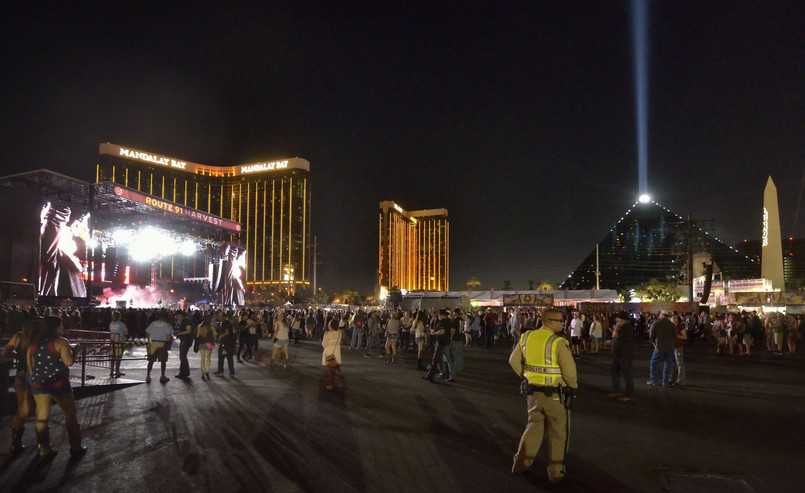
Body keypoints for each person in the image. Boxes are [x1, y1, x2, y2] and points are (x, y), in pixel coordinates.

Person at [509, 308, 577, 483]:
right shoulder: (557, 342)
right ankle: (556, 472)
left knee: (533, 428)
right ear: (551, 321)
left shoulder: (526, 337)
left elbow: (513, 361)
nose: (563, 323)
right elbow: (569, 373)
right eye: (561, 320)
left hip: (533, 393)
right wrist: (573, 387)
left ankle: (520, 464)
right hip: (555, 395)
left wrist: (525, 375)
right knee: (558, 434)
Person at [27, 316, 86, 458]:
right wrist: (76, 351)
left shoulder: (33, 344)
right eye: (60, 326)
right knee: (70, 414)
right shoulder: (60, 342)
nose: (62, 329)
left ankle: (44, 448)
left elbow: (30, 368)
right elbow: (69, 361)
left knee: (42, 416)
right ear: (54, 328)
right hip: (59, 384)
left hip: (39, 383)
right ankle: (75, 446)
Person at [2, 318, 37, 454]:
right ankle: (43, 441)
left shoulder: (18, 336)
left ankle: (15, 443)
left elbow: (5, 353)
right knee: (42, 406)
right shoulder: (39, 338)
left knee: (21, 407)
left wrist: (18, 356)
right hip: (37, 375)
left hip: (21, 373)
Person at [607, 311, 635, 402]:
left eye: (618, 318)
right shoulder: (623, 327)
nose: (616, 320)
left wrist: (616, 328)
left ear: (622, 319)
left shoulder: (626, 327)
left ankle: (629, 395)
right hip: (618, 355)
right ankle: (616, 390)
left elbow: (615, 335)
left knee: (627, 375)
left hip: (625, 355)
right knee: (614, 373)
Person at [647, 310, 677, 386]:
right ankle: (665, 382)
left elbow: (651, 336)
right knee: (668, 364)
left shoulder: (656, 324)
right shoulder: (672, 325)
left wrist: (654, 344)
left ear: (662, 315)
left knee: (654, 363)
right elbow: (675, 337)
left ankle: (653, 381)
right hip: (670, 347)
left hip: (659, 347)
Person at [422, 309, 451, 383]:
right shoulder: (448, 321)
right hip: (445, 342)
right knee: (447, 359)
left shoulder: (442, 322)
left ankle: (430, 376)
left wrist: (434, 333)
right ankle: (447, 373)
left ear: (441, 315)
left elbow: (442, 331)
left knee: (435, 360)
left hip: (441, 342)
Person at [145, 310, 174, 384]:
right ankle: (162, 375)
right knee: (163, 361)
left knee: (151, 361)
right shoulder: (166, 325)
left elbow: (148, 334)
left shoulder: (153, 323)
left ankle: (148, 375)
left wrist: (149, 342)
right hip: (162, 343)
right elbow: (168, 336)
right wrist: (168, 342)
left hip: (153, 343)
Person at [322, 320, 345, 389]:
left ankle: (331, 385)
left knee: (330, 370)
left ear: (330, 326)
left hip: (329, 353)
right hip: (336, 352)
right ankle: (341, 382)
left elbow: (323, 344)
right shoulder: (339, 333)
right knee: (338, 368)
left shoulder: (327, 334)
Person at [214, 311, 236, 376]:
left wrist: (220, 336)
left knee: (223, 356)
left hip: (226, 342)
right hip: (227, 342)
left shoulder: (225, 323)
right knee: (228, 357)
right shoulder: (224, 323)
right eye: (218, 316)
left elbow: (227, 332)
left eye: (220, 316)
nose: (219, 317)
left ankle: (221, 371)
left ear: (223, 316)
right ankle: (230, 371)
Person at [196, 316, 217, 380]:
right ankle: (207, 371)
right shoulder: (212, 327)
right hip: (209, 343)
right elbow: (215, 334)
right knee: (208, 358)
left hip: (202, 343)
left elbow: (197, 336)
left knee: (202, 358)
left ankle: (203, 372)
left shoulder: (200, 327)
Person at [174, 310, 194, 379]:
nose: (176, 317)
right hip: (184, 340)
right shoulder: (184, 320)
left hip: (186, 340)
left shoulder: (186, 321)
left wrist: (179, 333)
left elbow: (188, 330)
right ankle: (184, 372)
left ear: (181, 315)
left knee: (182, 356)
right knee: (182, 356)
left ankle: (183, 372)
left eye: (177, 316)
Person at [108, 311, 128, 378]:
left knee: (113, 356)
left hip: (112, 340)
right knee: (118, 357)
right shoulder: (121, 324)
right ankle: (117, 371)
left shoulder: (111, 323)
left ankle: (111, 371)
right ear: (119, 316)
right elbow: (126, 333)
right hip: (119, 341)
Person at [673, 314, 687, 386]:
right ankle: (673, 379)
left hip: (678, 347)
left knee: (679, 364)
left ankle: (680, 381)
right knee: (674, 364)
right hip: (672, 347)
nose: (672, 319)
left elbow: (685, 337)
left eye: (674, 318)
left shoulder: (680, 327)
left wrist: (677, 336)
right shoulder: (671, 327)